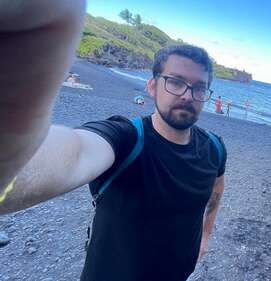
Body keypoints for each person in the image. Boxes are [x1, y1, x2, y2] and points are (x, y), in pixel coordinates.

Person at [0, 3, 227, 280]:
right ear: (153, 86)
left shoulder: (215, 148)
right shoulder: (126, 140)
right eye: (176, 82)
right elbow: (75, 152)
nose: (187, 95)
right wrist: (10, 159)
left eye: (199, 87)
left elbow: (215, 190)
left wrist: (206, 235)